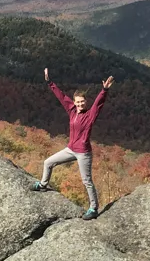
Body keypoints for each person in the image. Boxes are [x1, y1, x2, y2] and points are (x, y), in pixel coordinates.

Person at [31, 67, 114, 220]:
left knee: (86, 180)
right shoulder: (72, 110)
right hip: (70, 149)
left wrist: (104, 90)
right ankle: (43, 185)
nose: (80, 104)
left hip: (83, 152)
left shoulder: (90, 115)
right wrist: (49, 82)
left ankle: (93, 208)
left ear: (85, 102)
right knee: (48, 162)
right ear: (74, 102)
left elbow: (98, 103)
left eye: (82, 102)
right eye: (77, 102)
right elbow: (61, 97)